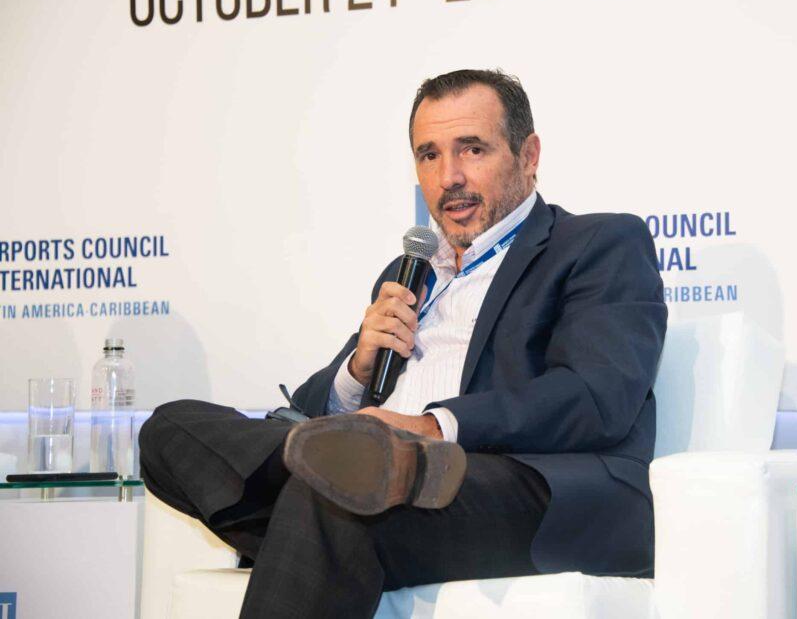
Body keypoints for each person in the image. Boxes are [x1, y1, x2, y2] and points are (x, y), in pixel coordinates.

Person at [140, 69, 667, 618]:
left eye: (473, 150)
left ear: (528, 155)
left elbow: (596, 397)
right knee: (171, 429)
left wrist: (434, 426)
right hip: (384, 485)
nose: (449, 177)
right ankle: (352, 469)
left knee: (338, 492)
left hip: (519, 487)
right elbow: (305, 407)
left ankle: (367, 471)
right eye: (429, 156)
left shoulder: (598, 243)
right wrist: (355, 373)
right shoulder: (411, 269)